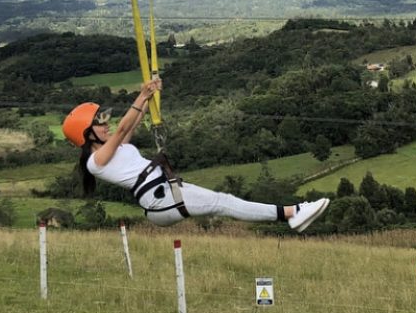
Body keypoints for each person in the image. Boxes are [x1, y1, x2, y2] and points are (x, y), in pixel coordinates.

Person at [62, 78, 330, 232]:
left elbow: (129, 126)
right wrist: (141, 94)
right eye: (99, 122)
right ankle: (291, 213)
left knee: (224, 201)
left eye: (105, 119)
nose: (106, 124)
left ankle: (291, 213)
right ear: (87, 135)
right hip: (159, 199)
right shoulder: (95, 162)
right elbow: (122, 129)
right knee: (224, 202)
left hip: (165, 193)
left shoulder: (112, 150)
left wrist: (149, 98)